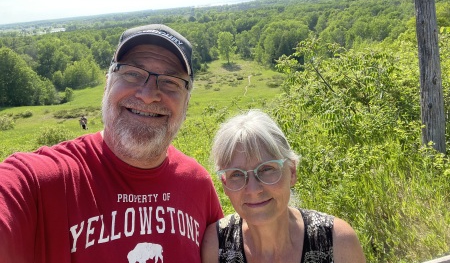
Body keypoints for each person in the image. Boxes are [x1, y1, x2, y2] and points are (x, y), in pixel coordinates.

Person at [0, 24, 223, 263]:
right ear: (107, 84)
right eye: (132, 74)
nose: (148, 95)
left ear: (186, 103)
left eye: (170, 82)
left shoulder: (199, 186)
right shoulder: (37, 182)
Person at [201, 110, 366, 263]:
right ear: (225, 184)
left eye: (266, 169)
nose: (253, 189)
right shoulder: (216, 245)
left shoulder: (337, 241)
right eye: (236, 174)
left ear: (292, 172)